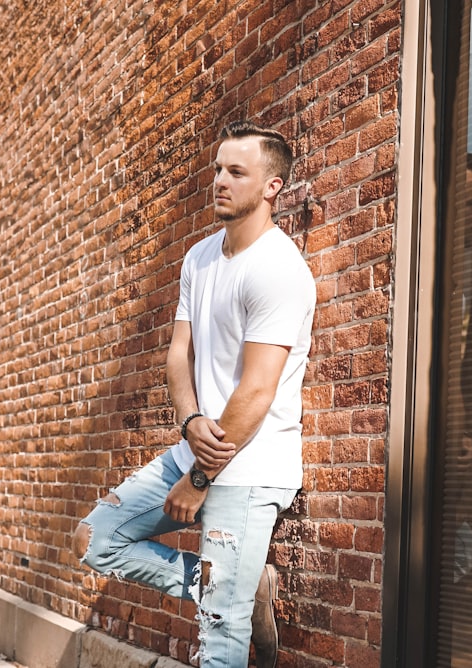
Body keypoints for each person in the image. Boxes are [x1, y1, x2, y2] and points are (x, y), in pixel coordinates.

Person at [73, 120, 316, 668]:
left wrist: (201, 477)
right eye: (217, 170)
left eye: (236, 172)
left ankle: (231, 597)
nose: (220, 181)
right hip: (197, 448)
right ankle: (241, 589)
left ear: (271, 186)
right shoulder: (200, 257)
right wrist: (188, 423)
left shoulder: (279, 269)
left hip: (250, 468)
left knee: (218, 632)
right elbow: (176, 355)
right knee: (96, 537)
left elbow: (257, 389)